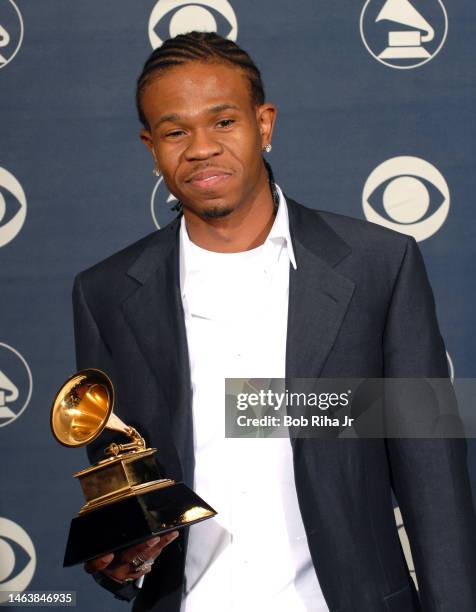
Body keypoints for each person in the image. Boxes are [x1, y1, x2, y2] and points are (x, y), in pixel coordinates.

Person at [73, 31, 476, 611]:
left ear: (264, 125)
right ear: (151, 147)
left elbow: (434, 482)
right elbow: (122, 495)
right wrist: (121, 559)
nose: (201, 148)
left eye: (223, 122)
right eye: (175, 131)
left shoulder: (379, 266)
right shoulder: (105, 293)